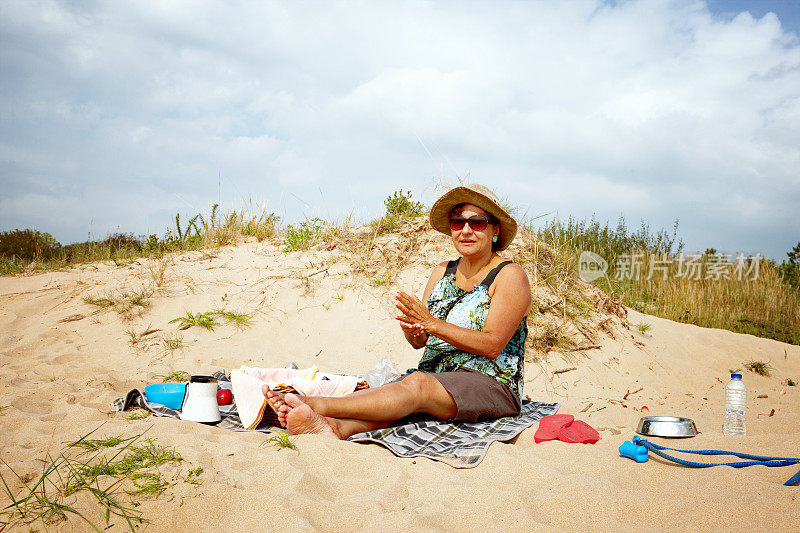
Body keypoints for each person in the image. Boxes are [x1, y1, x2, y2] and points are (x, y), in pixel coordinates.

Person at [264, 184, 531, 438]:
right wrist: (415, 330)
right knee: (398, 398)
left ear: (495, 229)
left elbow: (493, 344)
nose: (466, 230)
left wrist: (433, 323)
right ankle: (333, 428)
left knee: (417, 386)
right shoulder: (442, 272)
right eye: (457, 222)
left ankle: (314, 404)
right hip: (439, 376)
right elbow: (421, 342)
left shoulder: (509, 276)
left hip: (491, 381)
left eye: (477, 222)